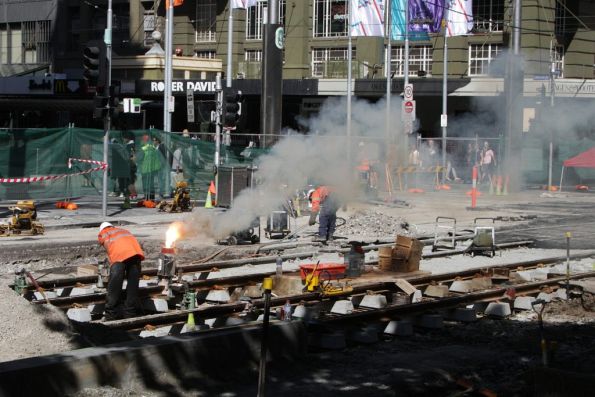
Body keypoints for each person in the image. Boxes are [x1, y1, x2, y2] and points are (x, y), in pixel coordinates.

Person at [97, 222, 145, 320]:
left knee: (114, 286)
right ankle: (130, 314)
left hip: (119, 257)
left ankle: (111, 314)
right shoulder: (123, 230)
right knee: (133, 286)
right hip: (135, 255)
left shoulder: (103, 233)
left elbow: (108, 248)